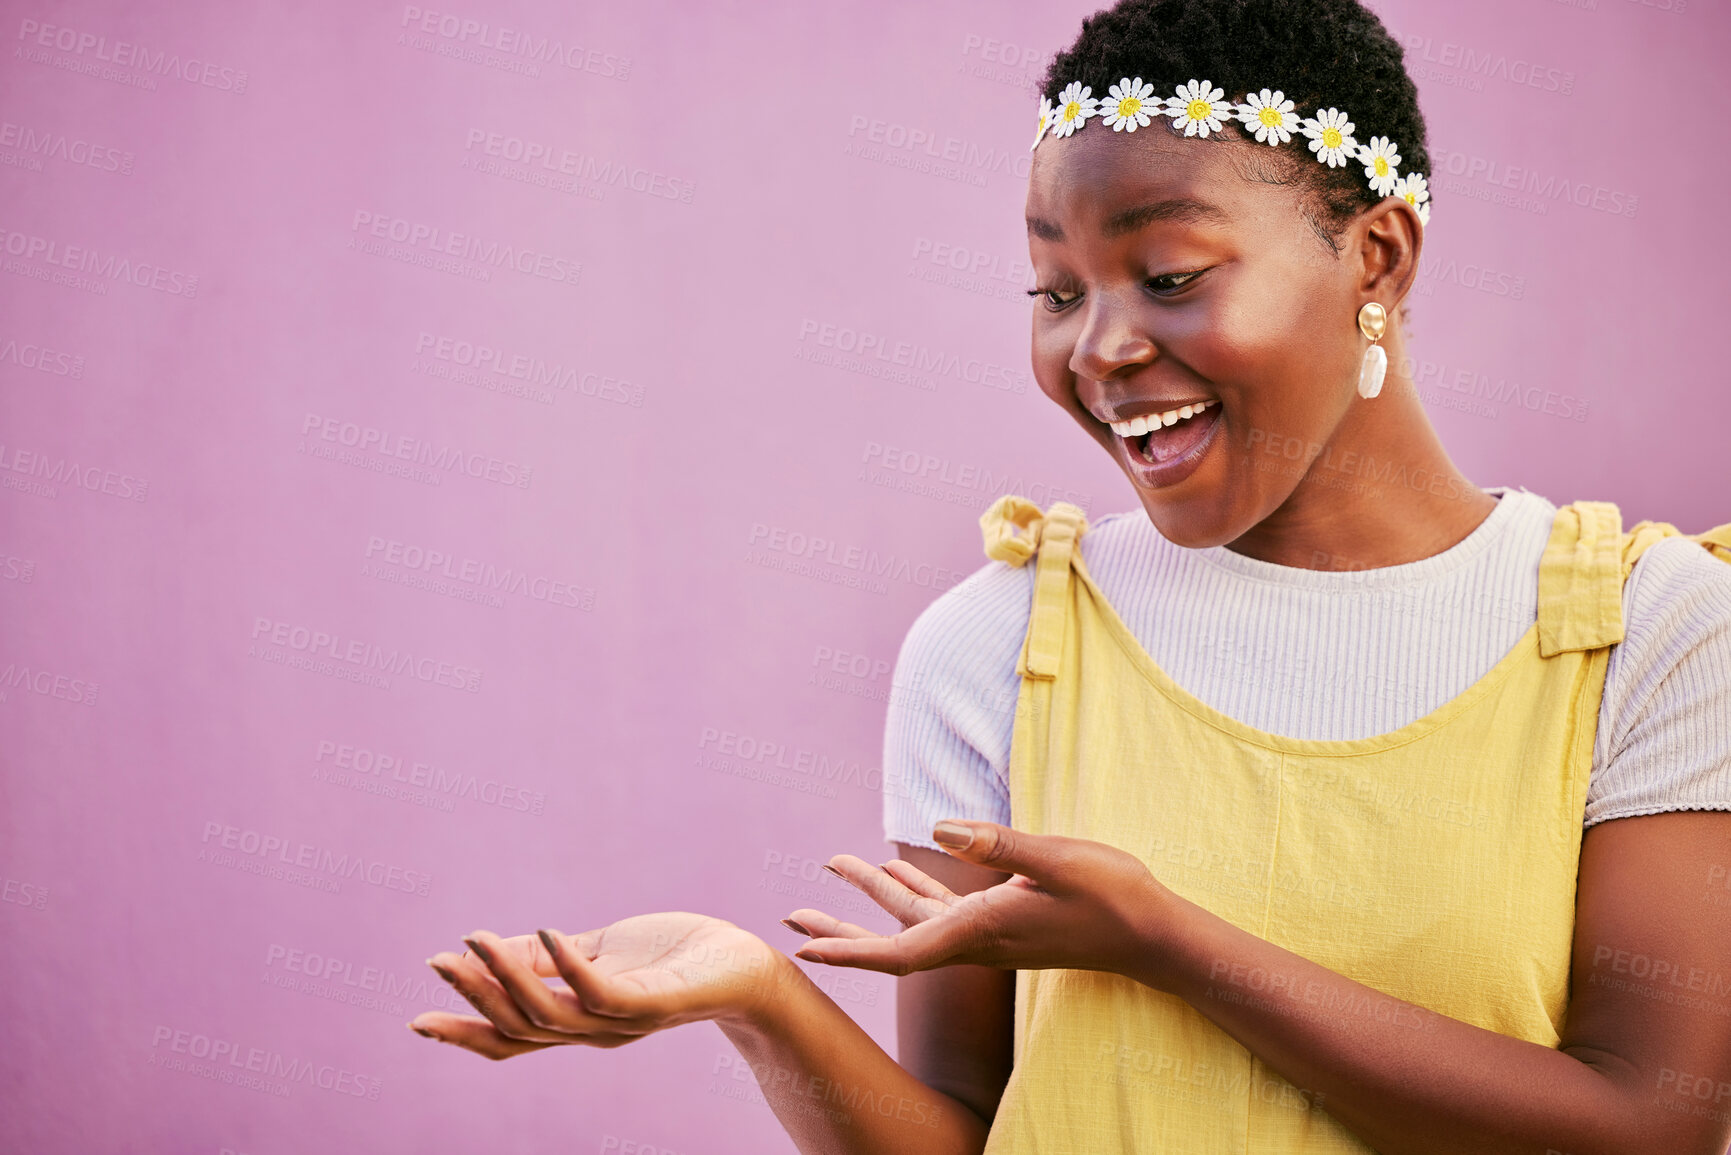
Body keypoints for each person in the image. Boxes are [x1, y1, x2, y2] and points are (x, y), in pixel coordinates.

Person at [409, 1, 1731, 1150]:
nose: (1097, 350)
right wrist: (758, 999)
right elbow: (957, 1139)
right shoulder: (999, 643)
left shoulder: (1646, 631)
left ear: (1375, 257)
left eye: (1166, 275)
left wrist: (1171, 946)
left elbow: (1648, 1126)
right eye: (1054, 290)